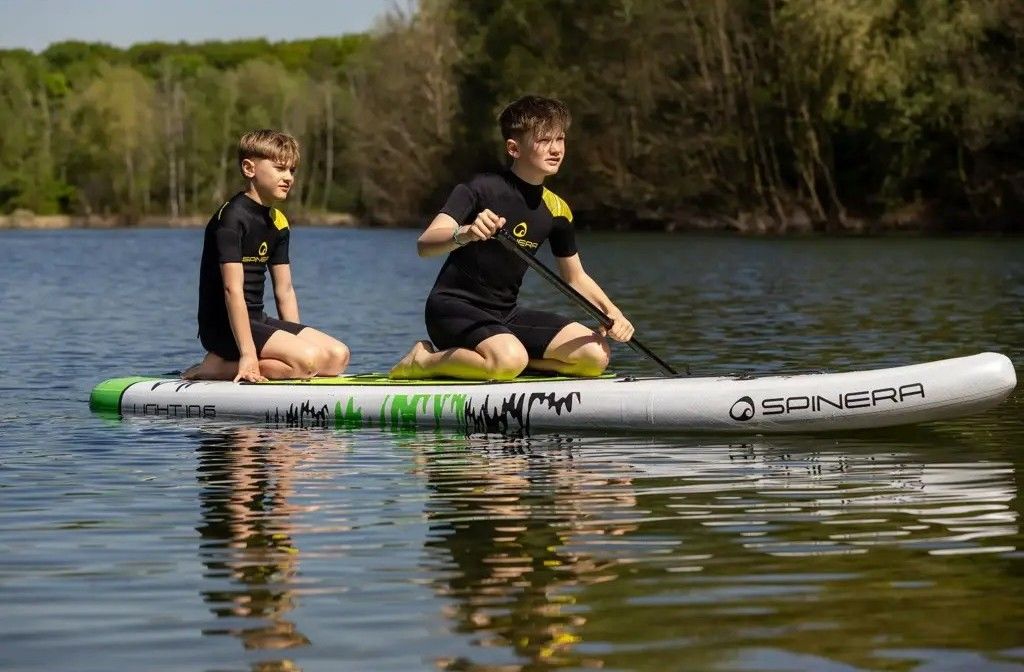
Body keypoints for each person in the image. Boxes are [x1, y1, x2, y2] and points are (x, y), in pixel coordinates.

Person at [390, 95, 634, 381]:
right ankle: (424, 361)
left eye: (560, 139)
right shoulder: (480, 188)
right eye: (544, 140)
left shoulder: (558, 210)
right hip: (453, 309)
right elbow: (425, 244)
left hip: (506, 314)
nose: (556, 149)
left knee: (594, 355)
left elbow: (575, 277)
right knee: (509, 358)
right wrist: (465, 233)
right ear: (514, 148)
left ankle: (506, 363)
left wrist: (612, 312)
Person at [184, 129, 349, 382]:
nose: (288, 177)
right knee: (306, 362)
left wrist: (296, 341)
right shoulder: (231, 218)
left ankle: (287, 364)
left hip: (258, 321)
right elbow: (232, 290)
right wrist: (248, 353)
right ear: (249, 168)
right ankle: (213, 368)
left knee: (337, 357)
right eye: (280, 168)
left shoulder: (278, 221)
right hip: (224, 327)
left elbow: (285, 290)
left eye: (292, 170)